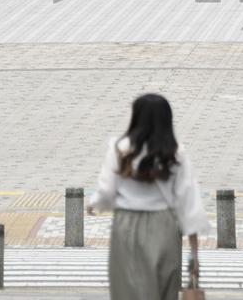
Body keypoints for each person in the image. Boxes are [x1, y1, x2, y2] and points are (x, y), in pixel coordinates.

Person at [88, 94, 209, 300]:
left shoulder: (120, 148)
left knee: (126, 291)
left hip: (126, 226)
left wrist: (95, 205)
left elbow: (106, 192)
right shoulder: (176, 153)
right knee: (163, 291)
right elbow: (189, 204)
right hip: (164, 226)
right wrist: (195, 256)